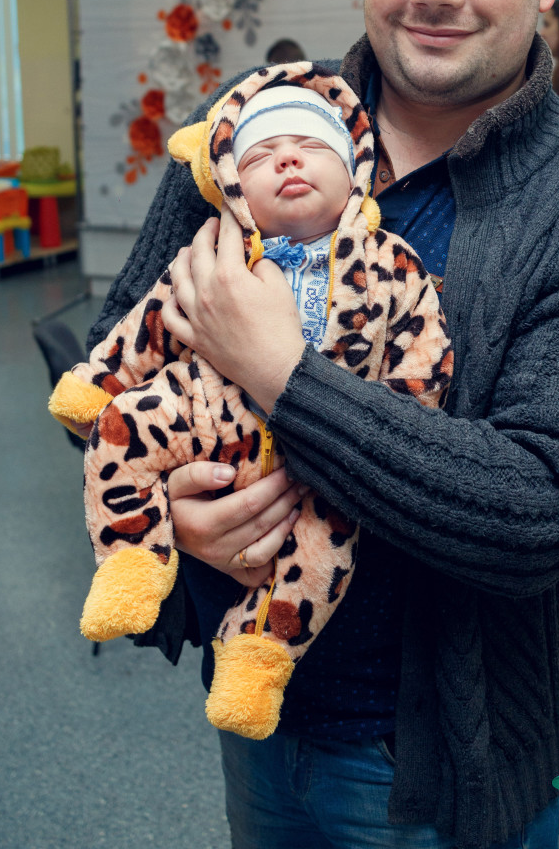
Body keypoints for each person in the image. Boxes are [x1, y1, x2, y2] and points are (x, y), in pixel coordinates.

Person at [88, 0, 559, 849]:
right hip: (257, 712)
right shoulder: (253, 129)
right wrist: (176, 516)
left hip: (446, 762)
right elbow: (112, 361)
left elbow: (536, 512)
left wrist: (280, 374)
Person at [51, 69, 452, 741]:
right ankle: (132, 562)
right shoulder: (214, 251)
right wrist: (103, 381)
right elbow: (150, 321)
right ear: (230, 182)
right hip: (206, 411)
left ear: (357, 171)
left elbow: (425, 358)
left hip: (329, 468)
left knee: (321, 556)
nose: (288, 160)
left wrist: (388, 431)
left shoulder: (394, 265)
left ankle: (257, 659)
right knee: (123, 429)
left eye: (311, 147)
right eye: (262, 155)